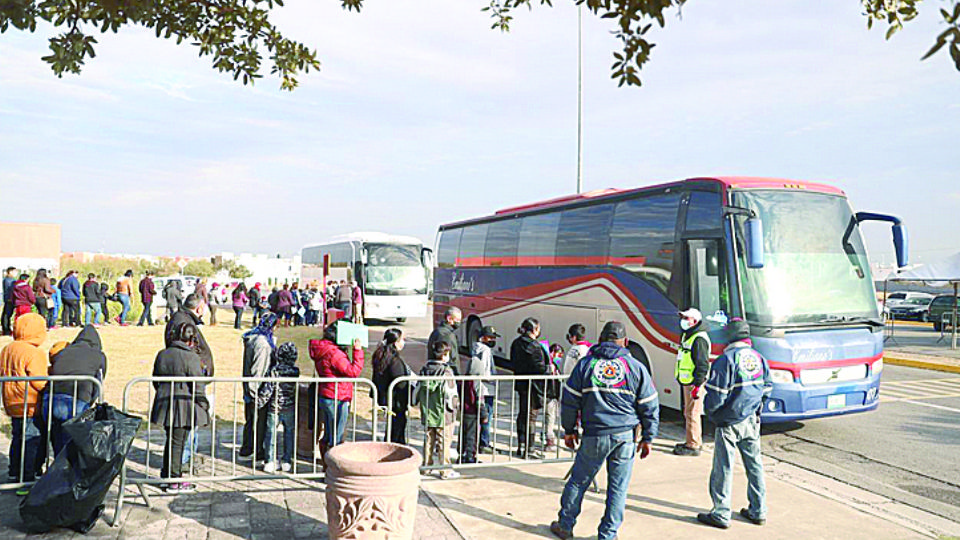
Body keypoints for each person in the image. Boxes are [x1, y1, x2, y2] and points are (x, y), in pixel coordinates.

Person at [550, 321, 660, 540]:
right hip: (625, 437)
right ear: (625, 342)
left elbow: (570, 401)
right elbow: (649, 404)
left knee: (579, 482)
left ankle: (565, 525)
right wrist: (648, 436)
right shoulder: (636, 367)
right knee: (618, 488)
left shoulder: (586, 365)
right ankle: (608, 534)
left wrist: (569, 430)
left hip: (595, 435)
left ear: (600, 339)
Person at [697, 319, 772, 530]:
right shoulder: (759, 359)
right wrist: (757, 409)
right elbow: (767, 387)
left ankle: (721, 513)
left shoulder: (726, 360)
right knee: (754, 465)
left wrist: (712, 414)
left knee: (723, 467)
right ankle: (758, 510)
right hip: (751, 420)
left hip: (729, 422)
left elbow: (716, 397)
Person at [150, 323, 211, 493]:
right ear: (190, 339)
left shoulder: (162, 354)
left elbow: (156, 379)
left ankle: (168, 475)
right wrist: (203, 403)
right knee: (177, 442)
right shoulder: (190, 357)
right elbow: (197, 384)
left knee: (172, 441)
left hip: (166, 402)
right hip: (183, 404)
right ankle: (174, 480)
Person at [0, 313, 49, 488]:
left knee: (17, 438)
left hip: (11, 401)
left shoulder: (7, 349)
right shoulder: (34, 353)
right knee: (31, 440)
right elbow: (39, 380)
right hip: (29, 403)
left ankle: (14, 472)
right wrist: (49, 384)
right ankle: (27, 478)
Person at [43, 325, 107, 456]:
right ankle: (70, 469)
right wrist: (90, 402)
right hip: (78, 398)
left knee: (57, 436)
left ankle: (58, 466)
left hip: (52, 398)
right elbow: (98, 382)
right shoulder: (99, 356)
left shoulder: (63, 351)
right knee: (74, 438)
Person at [309, 322, 364, 457]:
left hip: (327, 394)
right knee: (336, 436)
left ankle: (325, 463)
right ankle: (332, 466)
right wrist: (357, 351)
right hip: (337, 396)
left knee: (329, 432)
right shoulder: (334, 353)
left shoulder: (324, 349)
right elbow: (353, 371)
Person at [415, 341, 459, 479]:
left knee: (429, 439)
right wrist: (455, 408)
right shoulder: (446, 371)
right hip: (444, 412)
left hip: (428, 410)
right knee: (444, 441)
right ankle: (445, 469)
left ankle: (427, 466)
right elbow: (451, 393)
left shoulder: (425, 369)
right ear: (444, 355)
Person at [240, 313, 278, 461]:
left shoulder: (253, 337)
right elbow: (258, 369)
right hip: (257, 389)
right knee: (257, 422)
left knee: (251, 421)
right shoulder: (262, 343)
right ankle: (254, 451)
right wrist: (255, 393)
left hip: (251, 387)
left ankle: (248, 448)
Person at [257, 341, 300, 473]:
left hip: (274, 407)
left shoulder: (274, 371)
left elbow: (268, 390)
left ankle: (270, 461)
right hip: (290, 407)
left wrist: (259, 402)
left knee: (270, 434)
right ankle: (287, 460)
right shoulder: (295, 371)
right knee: (289, 434)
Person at [674, 307, 711, 457]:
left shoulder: (699, 338)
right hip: (687, 380)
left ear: (694, 321)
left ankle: (694, 445)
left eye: (686, 318)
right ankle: (690, 441)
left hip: (694, 382)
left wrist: (697, 384)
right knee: (688, 412)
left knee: (693, 413)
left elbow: (702, 364)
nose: (683, 321)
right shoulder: (688, 335)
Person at [511, 317, 546, 459]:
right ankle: (529, 448)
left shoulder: (516, 343)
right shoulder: (534, 346)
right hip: (534, 385)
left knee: (522, 414)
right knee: (531, 416)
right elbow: (539, 367)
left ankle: (521, 445)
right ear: (535, 329)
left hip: (521, 383)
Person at [372, 328, 412, 445]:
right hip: (396, 400)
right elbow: (400, 380)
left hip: (387, 397)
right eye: (402, 340)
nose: (403, 343)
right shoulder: (394, 360)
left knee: (393, 428)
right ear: (395, 342)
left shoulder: (381, 355)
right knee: (397, 428)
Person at [466, 325, 499, 453]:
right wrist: (493, 379)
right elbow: (485, 370)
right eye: (491, 337)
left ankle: (480, 442)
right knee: (486, 416)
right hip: (486, 388)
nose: (493, 340)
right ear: (484, 338)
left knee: (481, 416)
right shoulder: (485, 350)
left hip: (478, 387)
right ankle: (484, 443)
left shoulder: (476, 348)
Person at [428, 306, 462, 372]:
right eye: (457, 320)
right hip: (444, 372)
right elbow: (452, 358)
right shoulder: (447, 335)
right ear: (449, 319)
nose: (459, 322)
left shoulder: (437, 331)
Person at [544, 343, 565, 451]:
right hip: (549, 395)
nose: (560, 358)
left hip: (554, 396)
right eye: (559, 355)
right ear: (552, 353)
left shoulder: (555, 367)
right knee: (550, 417)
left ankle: (548, 438)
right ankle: (549, 442)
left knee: (551, 417)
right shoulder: (549, 366)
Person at [2, 267, 18, 335]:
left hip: (8, 299)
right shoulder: (10, 280)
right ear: (10, 272)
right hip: (10, 299)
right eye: (14, 272)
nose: (15, 273)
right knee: (7, 315)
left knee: (7, 314)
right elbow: (11, 290)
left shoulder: (6, 279)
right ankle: (6, 329)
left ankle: (6, 329)